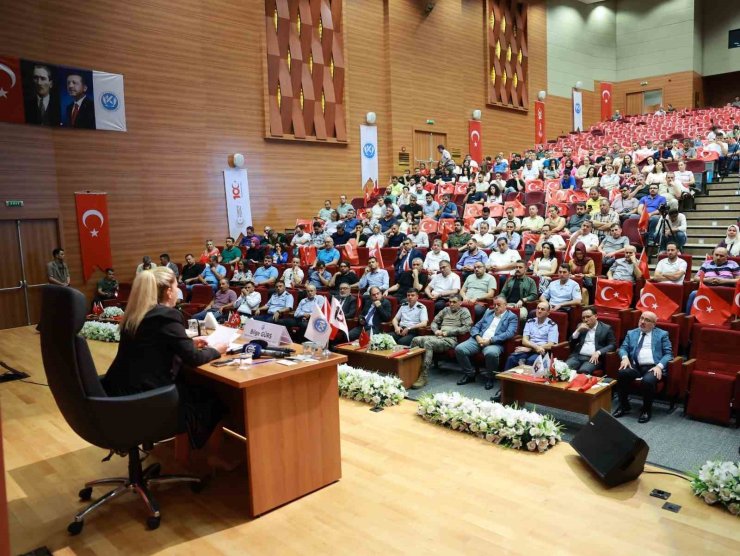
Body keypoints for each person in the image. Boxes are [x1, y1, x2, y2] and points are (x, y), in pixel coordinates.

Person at [102, 267, 227, 449]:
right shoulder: (166, 315)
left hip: (120, 392)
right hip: (146, 398)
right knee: (213, 401)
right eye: (176, 286)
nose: (178, 291)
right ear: (169, 291)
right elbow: (193, 359)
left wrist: (189, 344)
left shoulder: (137, 313)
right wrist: (217, 349)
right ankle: (208, 460)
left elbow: (152, 348)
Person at [613, 311, 673, 424]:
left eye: (647, 320)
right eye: (641, 318)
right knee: (622, 373)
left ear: (654, 324)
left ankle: (646, 410)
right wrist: (625, 357)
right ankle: (624, 406)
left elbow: (668, 354)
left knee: (648, 381)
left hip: (652, 367)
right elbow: (623, 348)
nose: (643, 322)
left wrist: (659, 366)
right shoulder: (631, 333)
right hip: (635, 365)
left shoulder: (662, 334)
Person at [455, 296, 518, 389]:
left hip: (494, 343)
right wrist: (477, 337)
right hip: (479, 339)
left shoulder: (512, 316)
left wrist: (491, 340)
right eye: (494, 304)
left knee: (491, 353)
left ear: (505, 305)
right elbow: (476, 326)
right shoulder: (488, 312)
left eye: (499, 305)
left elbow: (510, 333)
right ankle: (470, 374)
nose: (496, 307)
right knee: (459, 349)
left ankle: (490, 378)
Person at [410, 295, 473, 389]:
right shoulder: (445, 310)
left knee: (428, 344)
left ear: (460, 302)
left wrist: (447, 333)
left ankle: (424, 376)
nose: (451, 304)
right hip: (437, 336)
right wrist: (436, 330)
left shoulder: (464, 311)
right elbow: (434, 322)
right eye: (450, 302)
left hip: (450, 339)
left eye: (454, 302)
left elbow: (466, 328)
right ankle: (412, 372)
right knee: (416, 339)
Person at [503, 301, 559, 370]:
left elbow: (550, 345)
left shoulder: (552, 325)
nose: (539, 311)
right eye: (538, 308)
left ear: (548, 313)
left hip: (542, 351)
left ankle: (523, 380)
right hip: (530, 348)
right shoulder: (530, 321)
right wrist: (534, 348)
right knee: (511, 358)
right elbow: (524, 341)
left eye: (542, 309)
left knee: (531, 361)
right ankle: (506, 380)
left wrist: (530, 349)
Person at [684, 247, 740, 313]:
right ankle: (687, 317)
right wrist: (708, 280)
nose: (718, 257)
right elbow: (696, 278)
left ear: (726, 257)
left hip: (726, 290)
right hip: (708, 289)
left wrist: (723, 281)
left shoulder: (733, 264)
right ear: (713, 255)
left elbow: (738, 279)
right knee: (693, 293)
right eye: (716, 255)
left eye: (721, 256)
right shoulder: (706, 264)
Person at [566, 306, 617, 374]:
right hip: (577, 356)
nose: (585, 320)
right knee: (563, 369)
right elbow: (571, 343)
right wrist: (577, 331)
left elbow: (613, 345)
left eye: (588, 316)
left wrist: (599, 352)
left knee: (583, 372)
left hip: (593, 358)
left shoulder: (606, 328)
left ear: (596, 316)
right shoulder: (580, 326)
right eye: (583, 318)